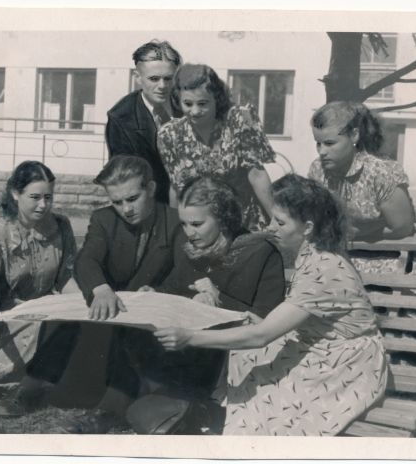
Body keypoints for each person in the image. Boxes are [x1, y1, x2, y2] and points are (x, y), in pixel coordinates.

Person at [154, 174, 388, 436]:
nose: (270, 227)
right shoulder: (314, 255)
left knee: (279, 399)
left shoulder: (325, 268)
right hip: (320, 344)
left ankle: (251, 438)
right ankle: (235, 426)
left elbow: (261, 336)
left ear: (308, 227)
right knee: (246, 359)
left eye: (279, 221)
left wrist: (189, 337)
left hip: (346, 362)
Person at [125, 177, 285, 434]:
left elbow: (266, 320)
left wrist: (218, 298)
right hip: (193, 355)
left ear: (224, 220)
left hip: (233, 355)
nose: (189, 232)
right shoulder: (190, 248)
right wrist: (153, 293)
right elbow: (175, 286)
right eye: (184, 224)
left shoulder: (260, 252)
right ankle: (174, 407)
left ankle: (188, 410)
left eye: (197, 224)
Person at [59, 155, 183, 433]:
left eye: (132, 198)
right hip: (114, 313)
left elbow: (183, 271)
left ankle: (120, 407)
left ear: (150, 188)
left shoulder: (175, 221)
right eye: (117, 202)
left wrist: (161, 292)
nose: (125, 209)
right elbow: (86, 259)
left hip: (158, 314)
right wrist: (100, 287)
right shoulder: (103, 220)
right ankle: (116, 405)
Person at [0, 160, 79, 413]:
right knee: (46, 323)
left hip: (44, 310)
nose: (43, 205)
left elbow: (65, 279)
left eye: (48, 197)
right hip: (3, 320)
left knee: (75, 321)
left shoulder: (62, 227)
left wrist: (82, 305)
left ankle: (26, 376)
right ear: (15, 193)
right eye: (35, 197)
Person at [307, 100, 416, 278]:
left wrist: (359, 231)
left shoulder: (381, 172)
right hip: (348, 247)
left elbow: (402, 228)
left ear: (354, 136)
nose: (321, 151)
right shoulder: (318, 170)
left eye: (330, 143)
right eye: (318, 143)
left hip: (399, 249)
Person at [157, 63, 276, 231]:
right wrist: (175, 230)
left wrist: (277, 221)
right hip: (201, 226)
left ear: (217, 98)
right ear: (178, 100)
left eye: (203, 103)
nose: (195, 111)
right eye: (188, 104)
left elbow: (257, 175)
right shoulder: (170, 135)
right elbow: (177, 188)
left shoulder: (239, 120)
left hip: (246, 221)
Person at [105, 40, 182, 204]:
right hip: (150, 208)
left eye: (168, 79)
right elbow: (124, 179)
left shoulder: (191, 106)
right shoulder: (121, 119)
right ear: (137, 78)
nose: (162, 86)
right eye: (154, 79)